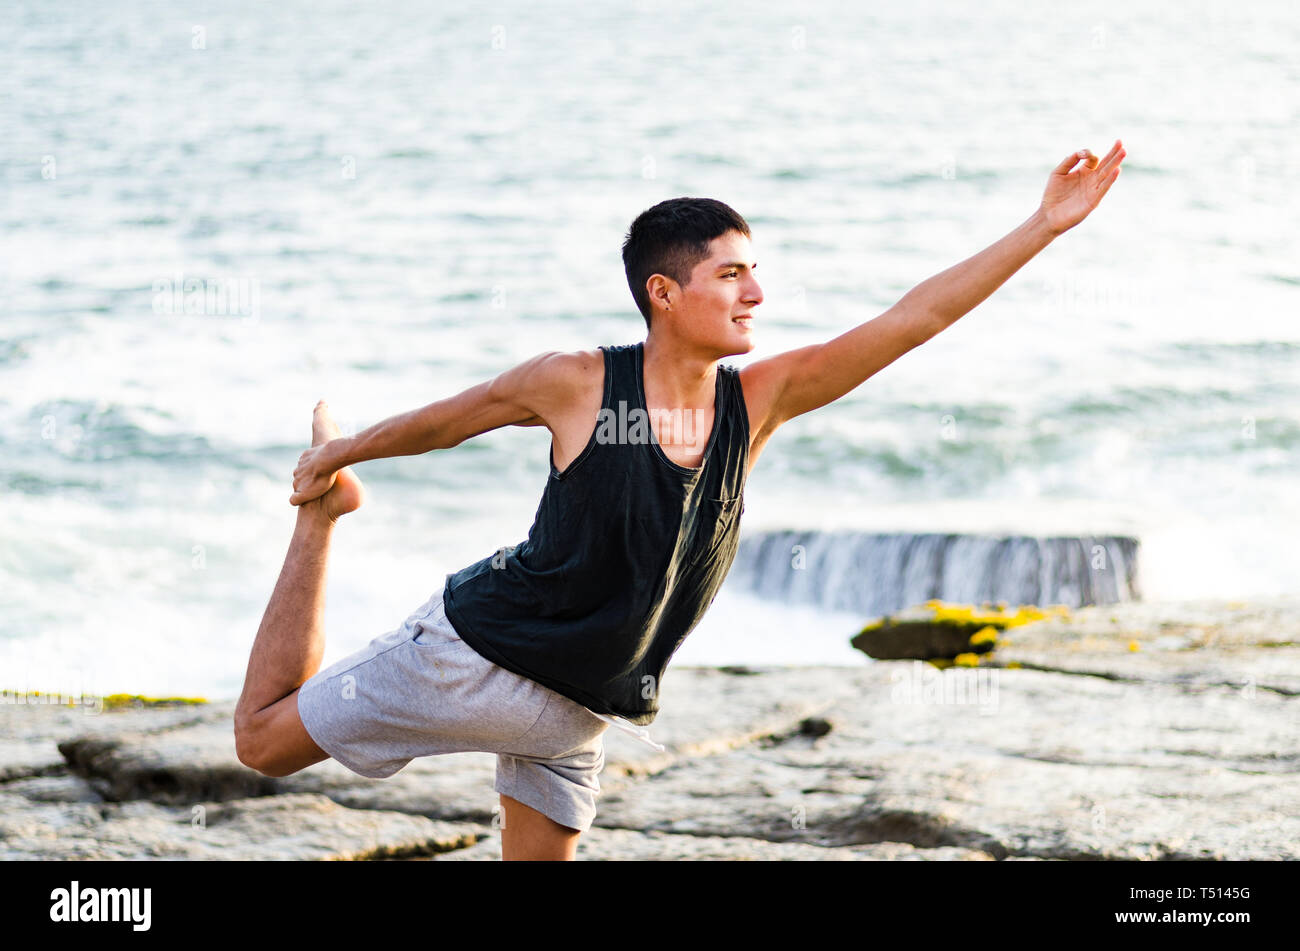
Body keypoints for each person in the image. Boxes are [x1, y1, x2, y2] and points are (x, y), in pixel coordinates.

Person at [233, 142, 1125, 860]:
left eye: (756, 271)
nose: (757, 294)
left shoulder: (757, 398)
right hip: (478, 655)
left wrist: (1042, 226)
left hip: (582, 705)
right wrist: (336, 460)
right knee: (262, 741)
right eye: (732, 274)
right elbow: (446, 421)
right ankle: (322, 523)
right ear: (665, 293)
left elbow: (911, 319)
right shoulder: (578, 383)